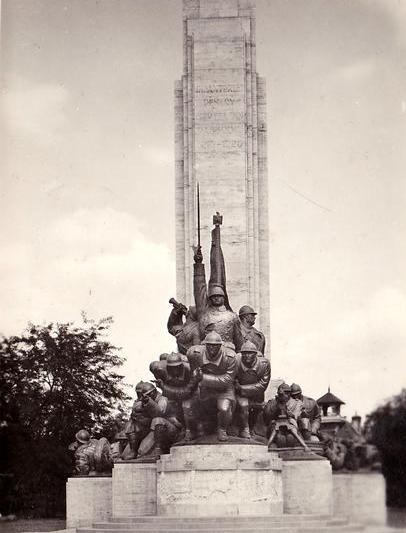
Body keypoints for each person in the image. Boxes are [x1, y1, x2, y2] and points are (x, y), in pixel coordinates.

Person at [193, 214, 243, 352]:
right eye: (213, 296)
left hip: (228, 354)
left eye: (219, 296)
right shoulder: (204, 313)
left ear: (223, 297)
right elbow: (200, 289)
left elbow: (239, 341)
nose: (216, 298)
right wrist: (198, 265)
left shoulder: (232, 317)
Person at [187, 331, 237, 441]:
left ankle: (222, 429)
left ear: (220, 345)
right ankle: (195, 430)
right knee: (191, 406)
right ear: (205, 345)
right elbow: (194, 369)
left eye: (215, 346)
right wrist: (196, 377)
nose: (212, 348)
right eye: (209, 345)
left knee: (224, 408)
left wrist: (203, 377)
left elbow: (227, 380)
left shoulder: (231, 357)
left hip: (224, 389)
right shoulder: (194, 353)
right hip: (205, 388)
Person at [150, 352, 203, 441]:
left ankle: (191, 431)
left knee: (187, 407)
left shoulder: (190, 370)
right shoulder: (160, 371)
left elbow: (187, 391)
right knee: (175, 411)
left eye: (177, 367)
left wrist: (164, 387)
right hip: (175, 394)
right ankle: (185, 428)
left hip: (193, 393)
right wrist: (164, 387)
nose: (175, 370)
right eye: (171, 368)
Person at [123, 381, 179, 459]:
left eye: (148, 395)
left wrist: (149, 402)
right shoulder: (144, 401)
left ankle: (158, 450)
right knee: (131, 424)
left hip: (169, 430)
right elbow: (138, 411)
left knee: (157, 420)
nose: (145, 397)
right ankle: (133, 450)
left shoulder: (163, 399)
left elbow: (159, 413)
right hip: (152, 429)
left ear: (153, 392)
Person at [235, 341, 270, 438]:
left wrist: (242, 388)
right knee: (243, 405)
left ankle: (251, 428)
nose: (247, 356)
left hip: (256, 393)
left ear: (255, 354)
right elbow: (232, 377)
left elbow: (263, 384)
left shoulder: (264, 364)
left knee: (257, 408)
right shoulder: (236, 361)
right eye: (244, 353)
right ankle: (244, 429)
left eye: (250, 353)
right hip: (240, 393)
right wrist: (237, 387)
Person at [263, 383, 309, 451]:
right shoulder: (272, 402)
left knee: (290, 437)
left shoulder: (297, 403)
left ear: (289, 393)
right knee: (279, 439)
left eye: (287, 393)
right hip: (276, 427)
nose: (284, 395)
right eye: (282, 393)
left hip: (292, 427)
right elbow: (267, 417)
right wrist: (276, 407)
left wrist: (290, 415)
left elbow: (296, 415)